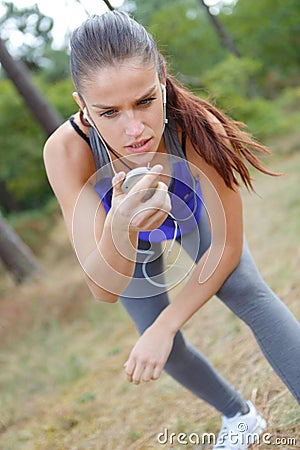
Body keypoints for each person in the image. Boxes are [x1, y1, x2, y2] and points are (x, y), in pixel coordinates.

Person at [43, 10, 300, 449]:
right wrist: (121, 227)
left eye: (145, 101)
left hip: (194, 213)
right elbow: (104, 289)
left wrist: (167, 323)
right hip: (120, 233)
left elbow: (228, 246)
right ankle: (240, 416)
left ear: (161, 80)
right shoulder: (67, 152)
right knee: (159, 342)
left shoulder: (195, 128)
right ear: (82, 107)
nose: (134, 130)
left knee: (245, 289)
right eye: (108, 112)